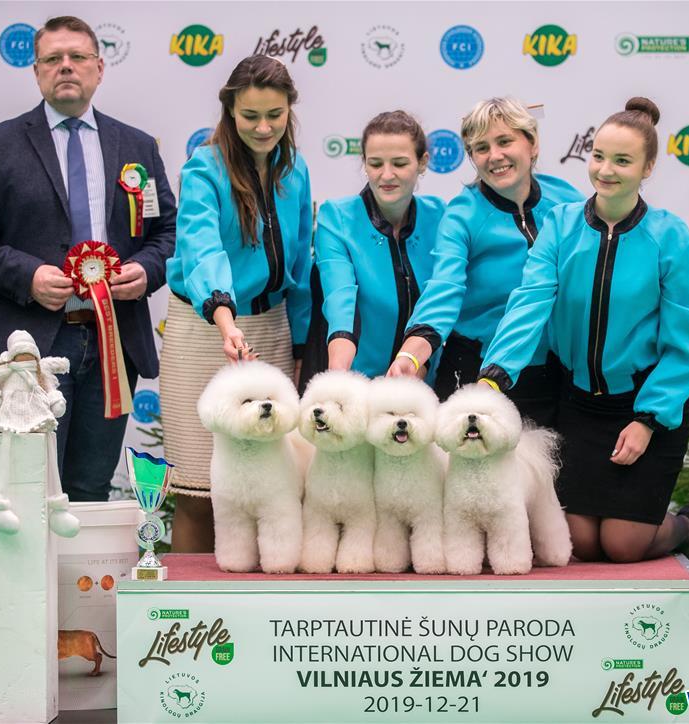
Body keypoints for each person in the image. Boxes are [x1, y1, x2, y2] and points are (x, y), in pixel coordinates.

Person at [477, 98, 689, 591]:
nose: (605, 170)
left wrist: (648, 420)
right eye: (598, 156)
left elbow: (682, 345)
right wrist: (494, 375)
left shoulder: (670, 236)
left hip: (647, 403)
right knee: (583, 543)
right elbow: (530, 301)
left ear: (647, 168)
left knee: (624, 545)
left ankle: (687, 525)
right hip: (580, 404)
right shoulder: (561, 225)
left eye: (622, 161)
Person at [0, 16, 176, 502]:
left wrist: (146, 270)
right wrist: (28, 275)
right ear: (37, 72)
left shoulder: (137, 146)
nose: (65, 66)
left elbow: (166, 232)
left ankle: (82, 560)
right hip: (26, 349)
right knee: (28, 492)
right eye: (52, 58)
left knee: (90, 490)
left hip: (114, 343)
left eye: (77, 57)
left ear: (99, 68)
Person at [160, 55, 312, 552]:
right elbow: (201, 249)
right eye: (250, 116)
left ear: (289, 110)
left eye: (274, 114)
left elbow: (302, 263)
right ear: (229, 111)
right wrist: (226, 322)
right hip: (207, 330)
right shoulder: (203, 168)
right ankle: (190, 602)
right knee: (200, 490)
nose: (263, 127)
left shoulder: (297, 170)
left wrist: (302, 346)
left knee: (271, 487)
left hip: (270, 328)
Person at [387, 97, 583, 426]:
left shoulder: (568, 202)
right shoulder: (462, 215)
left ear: (533, 144)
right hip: (474, 371)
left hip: (552, 373)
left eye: (505, 141)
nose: (494, 156)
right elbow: (443, 289)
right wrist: (412, 353)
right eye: (481, 148)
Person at [300, 111, 445, 385]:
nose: (386, 175)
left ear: (423, 162)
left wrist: (418, 366)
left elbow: (441, 300)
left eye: (399, 163)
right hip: (356, 381)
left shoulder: (440, 216)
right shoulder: (337, 218)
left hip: (422, 380)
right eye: (375, 163)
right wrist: (339, 374)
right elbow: (340, 299)